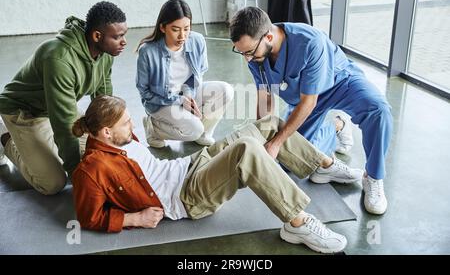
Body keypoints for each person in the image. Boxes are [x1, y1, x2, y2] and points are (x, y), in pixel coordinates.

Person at [71, 95, 363, 254]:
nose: (132, 125)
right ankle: (297, 222)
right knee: (246, 150)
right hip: (187, 196)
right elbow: (89, 216)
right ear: (106, 132)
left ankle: (322, 166)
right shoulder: (92, 170)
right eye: (126, 123)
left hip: (188, 165)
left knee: (269, 124)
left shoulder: (118, 137)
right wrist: (135, 219)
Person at [229, 7, 393, 215]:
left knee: (379, 110)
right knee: (292, 160)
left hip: (339, 84)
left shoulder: (309, 42)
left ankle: (373, 177)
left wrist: (277, 142)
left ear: (268, 36)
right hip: (304, 101)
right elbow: (265, 98)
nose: (247, 59)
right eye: (241, 52)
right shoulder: (256, 55)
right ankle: (336, 127)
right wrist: (264, 139)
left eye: (249, 52)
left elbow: (309, 102)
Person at [0, 1, 128, 195]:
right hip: (24, 112)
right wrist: (78, 177)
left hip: (58, 105)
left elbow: (103, 100)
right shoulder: (59, 58)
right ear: (97, 36)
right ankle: (5, 137)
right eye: (118, 36)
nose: (124, 42)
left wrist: (117, 137)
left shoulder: (106, 53)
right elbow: (64, 123)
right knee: (54, 183)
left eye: (124, 35)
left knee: (96, 153)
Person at [136, 0, 233, 148]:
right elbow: (145, 92)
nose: (182, 36)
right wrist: (179, 101)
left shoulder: (197, 40)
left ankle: (203, 134)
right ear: (162, 27)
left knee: (225, 90)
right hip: (161, 102)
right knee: (193, 129)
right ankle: (153, 128)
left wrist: (187, 94)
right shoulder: (148, 51)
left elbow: (199, 72)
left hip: (188, 94)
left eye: (186, 28)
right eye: (175, 29)